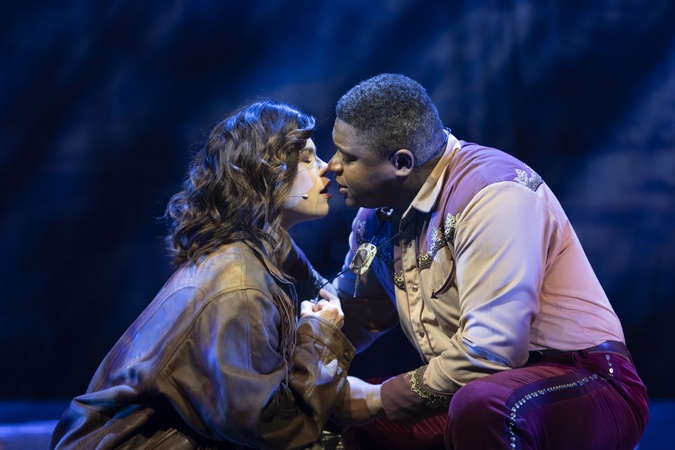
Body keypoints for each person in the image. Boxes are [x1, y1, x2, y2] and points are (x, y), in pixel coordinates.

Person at [326, 74, 649, 449]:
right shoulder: (375, 218)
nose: (331, 166)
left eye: (348, 157)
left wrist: (376, 400)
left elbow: (491, 353)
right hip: (477, 389)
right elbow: (349, 316)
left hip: (587, 381)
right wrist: (291, 364)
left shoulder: (493, 195)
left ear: (401, 162)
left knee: (482, 405)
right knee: (338, 415)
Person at [50, 100, 355, 450]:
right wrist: (320, 339)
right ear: (266, 173)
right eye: (306, 159)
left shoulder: (249, 254)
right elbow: (272, 428)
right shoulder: (239, 285)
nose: (326, 168)